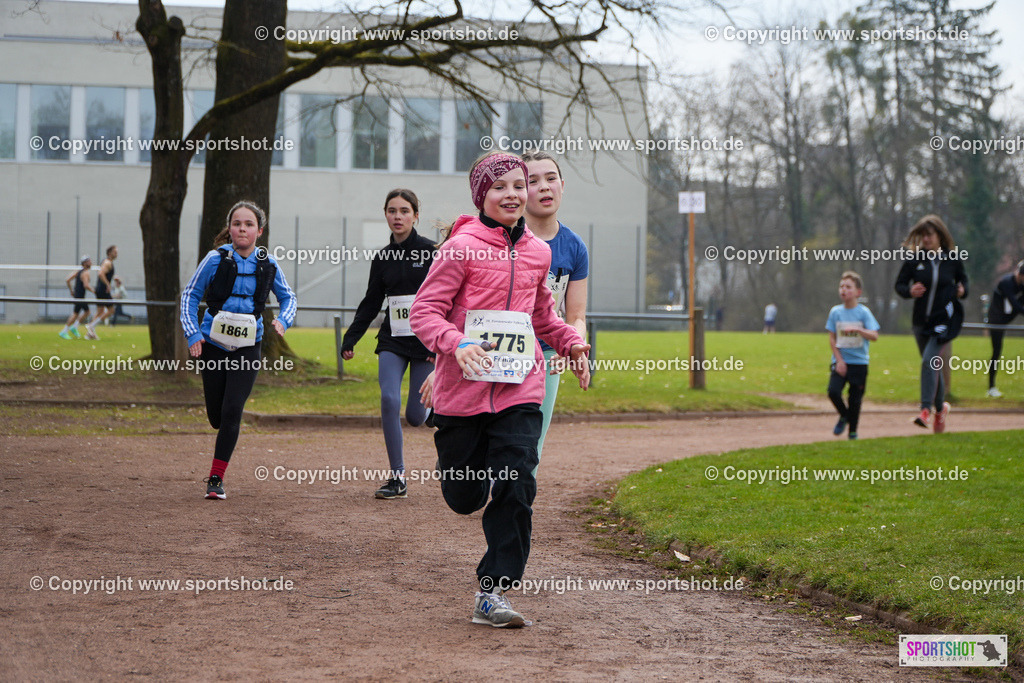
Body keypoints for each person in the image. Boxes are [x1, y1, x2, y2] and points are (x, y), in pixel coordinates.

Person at [410, 151, 591, 629]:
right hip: (462, 395)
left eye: (519, 186)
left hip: (519, 388)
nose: (513, 194)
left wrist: (571, 343)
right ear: (482, 196)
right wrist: (457, 342)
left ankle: (493, 592)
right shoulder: (460, 247)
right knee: (465, 498)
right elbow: (423, 313)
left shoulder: (538, 251)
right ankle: (464, 471)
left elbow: (542, 318)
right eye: (501, 188)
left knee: (517, 483)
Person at [180, 200, 296, 500]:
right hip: (213, 346)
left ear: (259, 230)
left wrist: (283, 320)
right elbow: (190, 295)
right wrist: (193, 333)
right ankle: (218, 432)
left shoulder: (268, 264)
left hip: (248, 347)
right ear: (229, 228)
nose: (242, 229)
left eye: (248, 224)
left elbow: (289, 297)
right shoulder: (215, 259)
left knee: (233, 411)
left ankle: (216, 479)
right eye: (236, 224)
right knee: (217, 417)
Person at [341, 189, 436, 500]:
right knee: (388, 400)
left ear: (415, 216)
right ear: (386, 214)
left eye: (405, 211)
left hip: (425, 342)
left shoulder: (432, 251)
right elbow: (371, 302)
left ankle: (437, 417)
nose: (398, 216)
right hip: (393, 339)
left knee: (414, 416)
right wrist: (352, 336)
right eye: (392, 211)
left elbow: (448, 296)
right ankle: (397, 477)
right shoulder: (382, 258)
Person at [520, 151, 588, 473]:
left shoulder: (574, 247)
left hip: (548, 355)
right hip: (500, 350)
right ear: (521, 190)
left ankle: (519, 516)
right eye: (532, 181)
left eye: (550, 179)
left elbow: (576, 315)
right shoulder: (504, 239)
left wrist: (571, 346)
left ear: (562, 185)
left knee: (532, 446)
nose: (544, 187)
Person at [894, 215, 968, 433]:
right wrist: (909, 291)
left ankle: (925, 410)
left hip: (943, 323)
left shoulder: (952, 259)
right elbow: (899, 285)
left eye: (929, 235)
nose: (925, 239)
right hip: (920, 323)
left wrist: (963, 290)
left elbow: (964, 280)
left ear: (939, 236)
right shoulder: (914, 260)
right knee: (932, 366)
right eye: (923, 235)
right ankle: (941, 408)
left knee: (929, 362)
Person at [826, 271, 880, 440]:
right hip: (841, 361)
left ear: (858, 292)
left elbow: (874, 335)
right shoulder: (835, 312)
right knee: (833, 392)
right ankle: (844, 416)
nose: (843, 290)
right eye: (841, 286)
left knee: (855, 400)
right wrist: (839, 360)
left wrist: (859, 330)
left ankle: (853, 433)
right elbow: (832, 338)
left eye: (848, 287)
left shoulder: (864, 313)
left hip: (859, 363)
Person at [984, 261, 1024, 398]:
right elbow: (1016, 305)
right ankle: (991, 387)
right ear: (1019, 275)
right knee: (996, 352)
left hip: (1006, 318)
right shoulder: (1006, 282)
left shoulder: (1021, 285)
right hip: (996, 320)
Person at [85, 245, 118, 339]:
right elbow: (101, 273)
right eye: (115, 252)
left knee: (100, 311)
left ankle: (90, 334)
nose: (117, 254)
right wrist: (108, 284)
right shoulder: (107, 263)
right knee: (111, 310)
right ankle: (91, 326)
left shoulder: (106, 262)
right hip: (103, 290)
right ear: (110, 253)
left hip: (100, 289)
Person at [59, 256, 93, 339]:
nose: (91, 262)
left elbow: (68, 280)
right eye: (89, 261)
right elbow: (86, 285)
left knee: (87, 312)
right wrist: (95, 292)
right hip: (80, 296)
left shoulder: (78, 271)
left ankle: (74, 327)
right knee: (75, 314)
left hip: (79, 296)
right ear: (85, 263)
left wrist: (71, 291)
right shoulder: (85, 272)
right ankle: (64, 331)